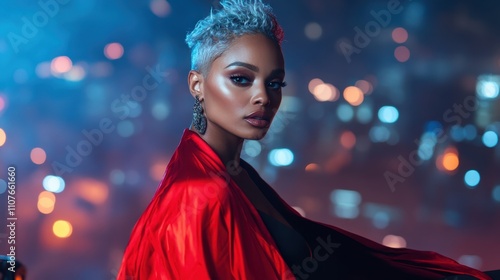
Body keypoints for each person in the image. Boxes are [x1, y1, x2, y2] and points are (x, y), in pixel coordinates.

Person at [118, 1, 497, 279]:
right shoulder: (199, 195)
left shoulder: (230, 172)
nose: (263, 97)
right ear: (197, 85)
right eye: (241, 78)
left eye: (275, 82)